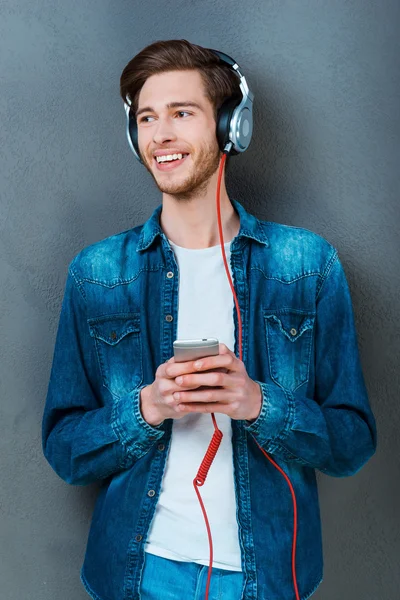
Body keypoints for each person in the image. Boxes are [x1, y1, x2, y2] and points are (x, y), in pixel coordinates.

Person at [42, 39, 377, 600]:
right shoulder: (96, 273)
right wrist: (146, 409)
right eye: (147, 118)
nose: (161, 134)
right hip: (138, 574)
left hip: (262, 578)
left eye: (182, 113)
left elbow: (352, 442)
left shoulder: (306, 265)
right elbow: (64, 450)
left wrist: (260, 405)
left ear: (229, 126)